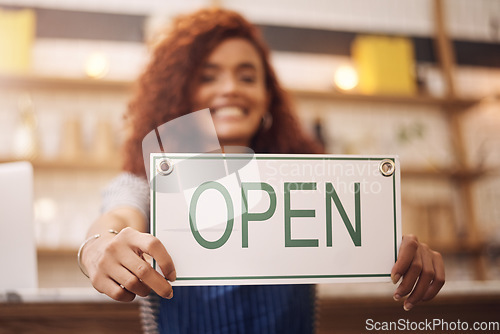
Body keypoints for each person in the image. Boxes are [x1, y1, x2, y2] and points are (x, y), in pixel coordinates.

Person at [79, 7, 445, 333]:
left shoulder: (309, 184)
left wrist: (402, 256)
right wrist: (99, 247)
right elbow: (119, 212)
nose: (231, 89)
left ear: (267, 96)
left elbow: (366, 239)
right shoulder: (149, 182)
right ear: (180, 95)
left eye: (247, 77)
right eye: (208, 77)